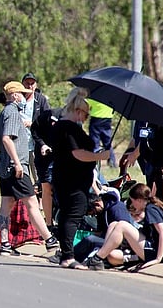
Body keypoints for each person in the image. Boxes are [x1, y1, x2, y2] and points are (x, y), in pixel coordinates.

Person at [0, 81, 58, 255]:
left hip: (5, 167)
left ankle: (5, 243)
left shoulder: (6, 112)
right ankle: (50, 240)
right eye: (22, 94)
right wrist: (16, 162)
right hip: (16, 167)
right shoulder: (12, 112)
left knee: (6, 204)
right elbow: (7, 139)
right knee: (31, 202)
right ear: (15, 95)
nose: (24, 97)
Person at [50, 87, 109, 269]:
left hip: (68, 178)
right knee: (73, 214)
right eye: (86, 115)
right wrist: (100, 157)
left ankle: (66, 254)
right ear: (78, 111)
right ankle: (67, 255)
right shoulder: (68, 129)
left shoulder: (62, 126)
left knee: (70, 213)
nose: (86, 118)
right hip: (71, 180)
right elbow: (78, 154)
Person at [87, 183, 163, 270]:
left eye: (133, 201)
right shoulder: (151, 206)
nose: (132, 205)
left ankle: (97, 259)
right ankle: (104, 257)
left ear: (139, 200)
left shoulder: (151, 209)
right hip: (149, 248)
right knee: (113, 233)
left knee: (122, 225)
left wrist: (158, 259)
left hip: (155, 252)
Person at [123, 121, 163, 220]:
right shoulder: (144, 113)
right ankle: (155, 225)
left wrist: (160, 162)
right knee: (153, 196)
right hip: (151, 159)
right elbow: (140, 137)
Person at [31, 106, 62, 232]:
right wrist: (43, 145)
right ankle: (49, 223)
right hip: (44, 158)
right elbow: (34, 130)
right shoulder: (45, 116)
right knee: (46, 188)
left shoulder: (73, 121)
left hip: (61, 158)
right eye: (52, 122)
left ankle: (63, 222)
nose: (54, 124)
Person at [21, 72, 50, 185]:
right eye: (27, 83)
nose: (29, 86)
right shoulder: (18, 100)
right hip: (21, 144)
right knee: (23, 178)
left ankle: (41, 200)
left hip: (35, 144)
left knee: (39, 177)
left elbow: (47, 120)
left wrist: (32, 124)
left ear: (36, 85)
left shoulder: (41, 100)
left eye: (32, 83)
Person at [87, 99, 117, 167]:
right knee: (108, 143)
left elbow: (88, 105)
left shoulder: (96, 97)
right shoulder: (110, 98)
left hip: (96, 119)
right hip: (107, 120)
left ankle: (94, 162)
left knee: (94, 143)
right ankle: (112, 161)